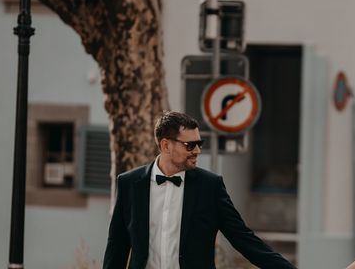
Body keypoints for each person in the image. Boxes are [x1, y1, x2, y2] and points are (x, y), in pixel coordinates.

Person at [102, 111, 297, 269]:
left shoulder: (210, 187)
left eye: (199, 144)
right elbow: (117, 247)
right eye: (190, 145)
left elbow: (243, 239)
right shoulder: (129, 184)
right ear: (166, 145)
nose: (197, 151)